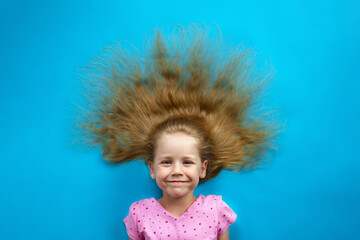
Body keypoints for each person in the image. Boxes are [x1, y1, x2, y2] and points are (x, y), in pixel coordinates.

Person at [77, 25, 277, 239]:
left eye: (187, 162)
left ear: (203, 168)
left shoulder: (216, 210)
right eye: (166, 162)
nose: (177, 170)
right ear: (152, 168)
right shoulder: (139, 213)